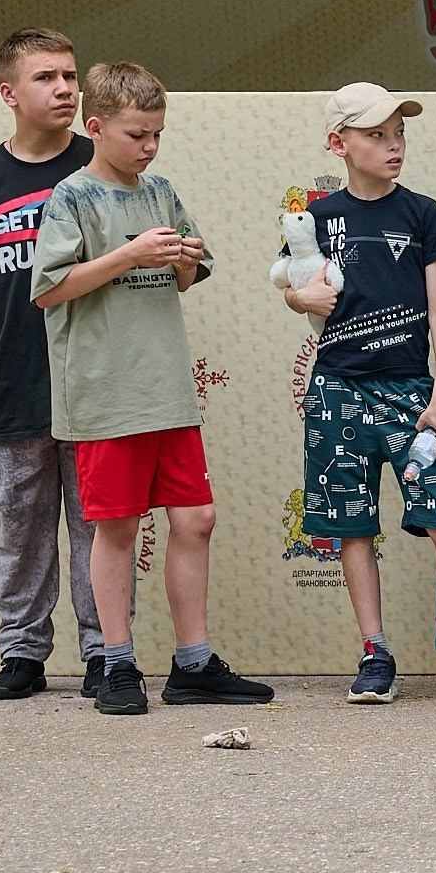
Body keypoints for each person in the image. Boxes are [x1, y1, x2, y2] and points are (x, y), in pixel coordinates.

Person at [31, 62, 272, 717]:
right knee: (116, 528)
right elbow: (48, 289)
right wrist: (130, 255)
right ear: (97, 127)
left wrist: (184, 259)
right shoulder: (71, 198)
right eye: (138, 134)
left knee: (196, 518)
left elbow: (188, 277)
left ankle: (193, 663)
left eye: (158, 133)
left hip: (167, 389)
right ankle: (116, 661)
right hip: (107, 394)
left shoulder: (160, 190)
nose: (150, 147)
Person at [279, 83, 436, 708]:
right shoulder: (316, 219)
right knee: (352, 528)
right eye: (376, 135)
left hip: (414, 394)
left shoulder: (423, 215)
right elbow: (294, 284)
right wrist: (301, 298)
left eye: (398, 134)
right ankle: (375, 653)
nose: (393, 146)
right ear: (339, 143)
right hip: (336, 392)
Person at [0, 28, 109, 701]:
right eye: (47, 77)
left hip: (96, 379)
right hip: (12, 383)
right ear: (9, 93)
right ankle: (22, 651)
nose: (65, 88)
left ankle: (107, 650)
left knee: (99, 523)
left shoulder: (103, 163)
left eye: (70, 75)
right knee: (18, 524)